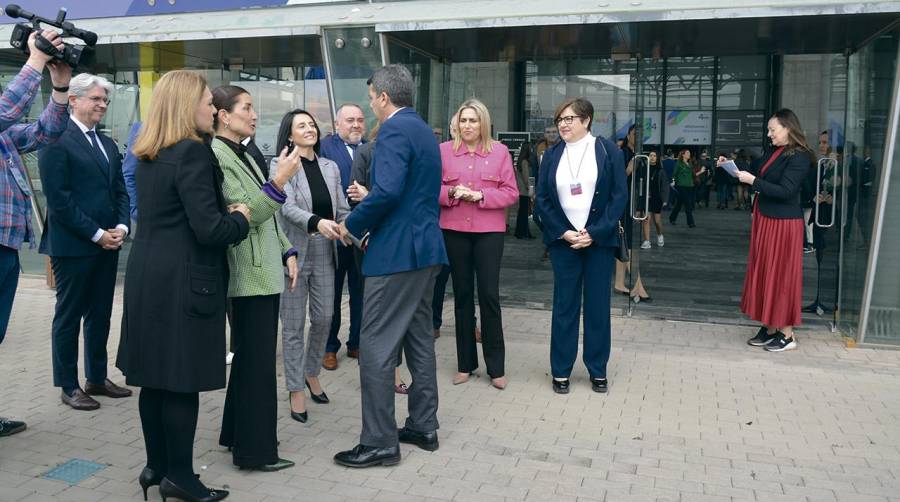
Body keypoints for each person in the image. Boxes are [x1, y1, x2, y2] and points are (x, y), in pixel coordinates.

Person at [115, 70, 250, 502]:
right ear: (186, 104)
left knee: (154, 379)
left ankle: (156, 467)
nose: (213, 109)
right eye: (209, 102)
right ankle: (181, 478)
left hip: (147, 275)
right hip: (186, 281)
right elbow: (210, 230)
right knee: (180, 382)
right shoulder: (192, 153)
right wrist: (241, 217)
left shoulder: (149, 152)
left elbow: (176, 213)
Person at [334, 64, 448, 468]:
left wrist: (350, 225)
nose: (370, 105)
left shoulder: (396, 130)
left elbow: (386, 193)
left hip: (397, 255)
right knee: (419, 341)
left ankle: (380, 442)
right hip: (424, 253)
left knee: (376, 348)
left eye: (371, 98)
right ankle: (423, 424)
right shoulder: (423, 130)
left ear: (383, 97)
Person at [210, 85, 301, 472]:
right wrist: (279, 182)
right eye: (246, 108)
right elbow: (246, 217)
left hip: (265, 268)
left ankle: (235, 434)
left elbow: (264, 213)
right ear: (223, 115)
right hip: (248, 275)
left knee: (249, 359)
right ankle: (255, 452)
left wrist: (287, 249)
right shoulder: (217, 155)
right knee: (258, 365)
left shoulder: (243, 151)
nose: (253, 114)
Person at [38, 73, 132, 411]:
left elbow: (120, 191)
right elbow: (59, 200)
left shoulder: (106, 144)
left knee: (100, 315)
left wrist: (122, 226)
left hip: (108, 244)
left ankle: (96, 377)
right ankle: (68, 385)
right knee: (69, 317)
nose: (102, 105)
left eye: (105, 100)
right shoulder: (55, 139)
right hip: (74, 246)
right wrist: (96, 234)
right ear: (73, 100)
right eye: (96, 99)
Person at [0, 30, 71, 438]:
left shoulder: (5, 135)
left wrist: (59, 88)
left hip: (7, 247)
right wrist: (36, 60)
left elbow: (45, 132)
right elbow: (7, 109)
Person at [534, 97, 627, 395]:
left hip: (598, 243)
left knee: (598, 307)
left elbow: (618, 198)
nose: (563, 124)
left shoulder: (607, 150)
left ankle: (597, 369)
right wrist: (563, 232)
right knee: (565, 306)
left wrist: (595, 233)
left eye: (569, 119)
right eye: (560, 119)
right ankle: (561, 369)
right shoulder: (551, 155)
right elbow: (543, 201)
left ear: (587, 120)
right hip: (565, 244)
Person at [273, 109, 349, 423]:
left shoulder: (330, 167)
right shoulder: (282, 165)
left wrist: (348, 229)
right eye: (301, 126)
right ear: (290, 135)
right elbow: (286, 208)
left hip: (324, 252)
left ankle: (310, 371)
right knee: (292, 328)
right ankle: (295, 388)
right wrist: (318, 222)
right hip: (293, 251)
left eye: (312, 124)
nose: (309, 129)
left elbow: (342, 208)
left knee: (325, 318)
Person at [439, 98, 518, 389]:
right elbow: (430, 188)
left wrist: (481, 196)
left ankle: (496, 368)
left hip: (489, 232)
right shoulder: (443, 152)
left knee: (488, 296)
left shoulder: (499, 152)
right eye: (463, 120)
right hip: (454, 230)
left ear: (483, 123)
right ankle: (465, 364)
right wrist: (451, 194)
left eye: (473, 120)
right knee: (461, 296)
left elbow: (511, 192)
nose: (467, 125)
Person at [725, 108, 813, 352]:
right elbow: (756, 172)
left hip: (784, 224)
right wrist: (731, 167)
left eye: (773, 129)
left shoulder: (800, 156)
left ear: (788, 128)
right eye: (769, 130)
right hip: (767, 220)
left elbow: (786, 191)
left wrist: (752, 181)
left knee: (782, 276)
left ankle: (787, 334)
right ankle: (771, 327)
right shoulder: (775, 151)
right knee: (766, 273)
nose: (769, 134)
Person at [319, 103, 365, 370]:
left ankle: (356, 342)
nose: (356, 125)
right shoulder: (326, 148)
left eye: (360, 120)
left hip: (363, 233)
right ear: (338, 124)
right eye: (350, 120)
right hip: (334, 234)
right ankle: (329, 347)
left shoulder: (372, 148)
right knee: (332, 292)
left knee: (361, 291)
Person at [640, 150, 666, 248]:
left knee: (657, 220)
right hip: (646, 197)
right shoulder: (644, 169)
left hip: (657, 197)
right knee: (646, 219)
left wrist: (665, 199)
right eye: (650, 155)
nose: (652, 157)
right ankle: (647, 241)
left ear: (657, 158)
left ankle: (660, 235)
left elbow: (664, 186)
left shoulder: (660, 170)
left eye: (654, 156)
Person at [669, 148, 696, 227]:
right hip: (681, 186)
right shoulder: (679, 163)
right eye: (687, 153)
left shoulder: (690, 164)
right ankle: (690, 222)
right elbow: (674, 174)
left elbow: (692, 175)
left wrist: (701, 171)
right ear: (683, 154)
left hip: (689, 186)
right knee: (688, 204)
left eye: (689, 153)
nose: (689, 154)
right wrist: (673, 181)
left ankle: (672, 218)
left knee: (679, 204)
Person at [514, 141, 535, 239]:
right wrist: (531, 191)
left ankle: (520, 232)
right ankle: (524, 232)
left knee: (522, 212)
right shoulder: (525, 162)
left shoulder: (520, 161)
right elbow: (527, 179)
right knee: (524, 213)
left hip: (522, 191)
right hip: (525, 191)